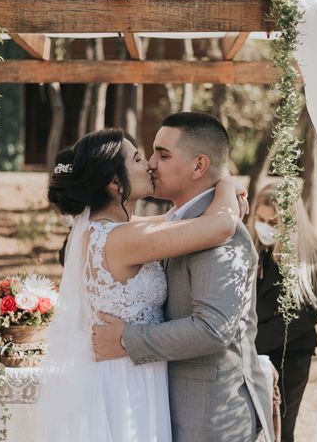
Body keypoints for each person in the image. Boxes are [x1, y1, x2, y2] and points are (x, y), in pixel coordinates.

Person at [39, 126, 246, 441]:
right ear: (114, 182)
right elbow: (220, 226)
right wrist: (226, 184)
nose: (149, 164)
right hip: (127, 380)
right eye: (137, 158)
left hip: (124, 369)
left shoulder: (106, 230)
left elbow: (173, 221)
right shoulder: (123, 238)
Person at [93, 112, 275, 442]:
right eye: (150, 154)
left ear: (198, 166)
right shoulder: (182, 225)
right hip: (158, 403)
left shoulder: (222, 236)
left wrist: (127, 338)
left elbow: (212, 328)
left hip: (210, 414)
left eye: (163, 154)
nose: (150, 163)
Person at [250, 182, 317, 442]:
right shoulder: (255, 250)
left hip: (290, 355)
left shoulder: (310, 253)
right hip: (252, 354)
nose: (265, 227)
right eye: (260, 219)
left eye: (272, 222)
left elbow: (309, 312)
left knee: (281, 430)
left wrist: (254, 341)